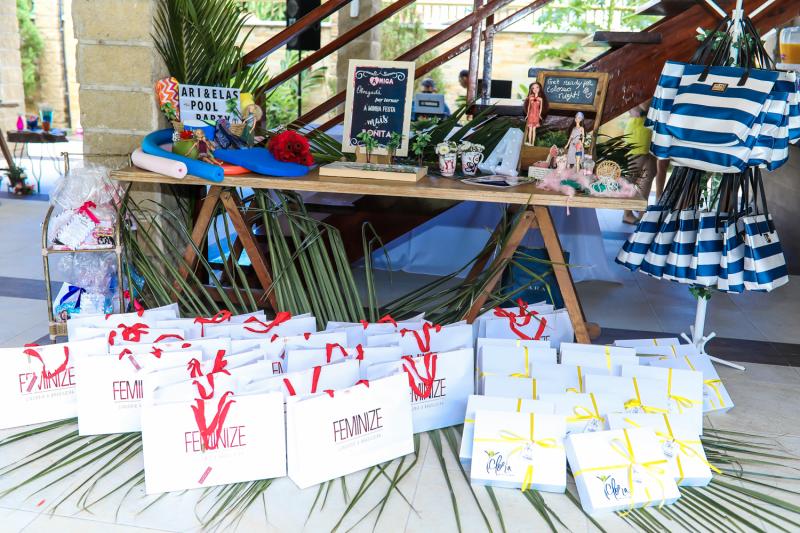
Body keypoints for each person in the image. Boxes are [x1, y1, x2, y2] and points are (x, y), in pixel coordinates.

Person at [622, 102, 657, 224]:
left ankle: (642, 213)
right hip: (639, 129)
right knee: (632, 174)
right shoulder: (646, 89)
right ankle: (627, 214)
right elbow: (644, 106)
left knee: (650, 173)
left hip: (652, 130)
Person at [523, 81, 548, 146]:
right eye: (533, 88)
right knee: (530, 129)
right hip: (531, 114)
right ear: (531, 89)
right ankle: (529, 142)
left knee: (534, 130)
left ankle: (532, 143)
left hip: (536, 115)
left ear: (540, 89)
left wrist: (539, 115)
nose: (535, 89)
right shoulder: (530, 98)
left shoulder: (540, 99)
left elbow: (541, 108)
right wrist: (527, 114)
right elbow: (529, 106)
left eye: (537, 87)